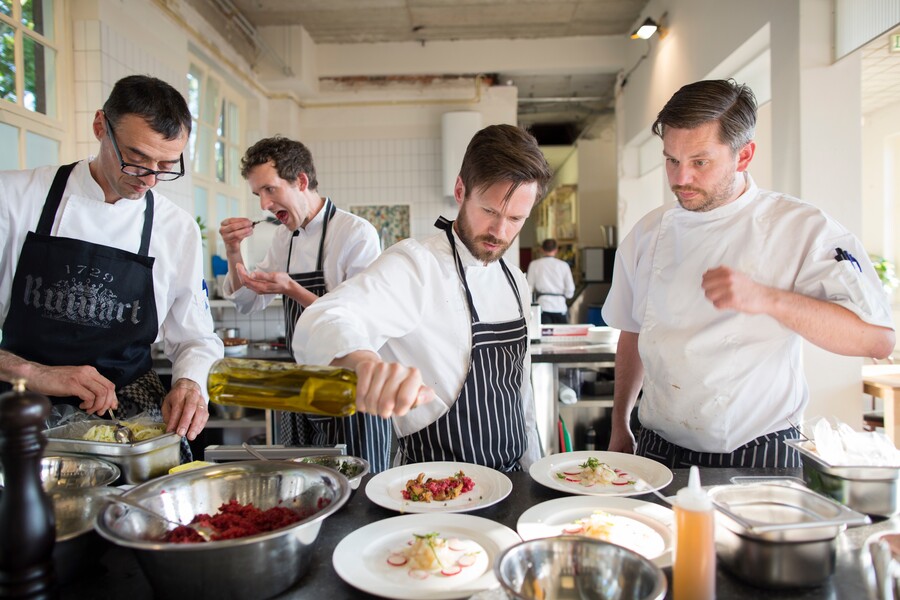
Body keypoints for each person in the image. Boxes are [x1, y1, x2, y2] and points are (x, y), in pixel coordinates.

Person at [602, 79, 895, 469]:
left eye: (700, 162)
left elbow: (876, 340)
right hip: (659, 447)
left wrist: (767, 299)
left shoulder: (802, 228)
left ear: (744, 156)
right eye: (671, 160)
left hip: (761, 449)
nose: (680, 178)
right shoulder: (648, 232)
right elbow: (634, 331)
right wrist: (621, 420)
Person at [293, 124, 553, 472]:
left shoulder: (514, 280)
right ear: (461, 190)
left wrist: (534, 471)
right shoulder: (417, 265)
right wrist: (364, 363)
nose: (500, 232)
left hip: (513, 480)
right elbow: (324, 317)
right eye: (490, 212)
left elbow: (522, 396)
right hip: (431, 489)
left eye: (516, 218)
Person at [0, 75, 223, 458]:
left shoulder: (176, 228)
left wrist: (189, 382)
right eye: (136, 160)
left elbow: (195, 337)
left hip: (129, 421)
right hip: (22, 411)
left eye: (166, 165)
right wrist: (36, 373)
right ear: (100, 126)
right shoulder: (14, 198)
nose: (150, 180)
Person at [218, 136, 392, 472]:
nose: (264, 205)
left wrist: (294, 289)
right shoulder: (284, 237)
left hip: (351, 389)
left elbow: (363, 326)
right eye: (258, 195)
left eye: (270, 190)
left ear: (300, 181)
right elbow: (247, 303)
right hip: (304, 384)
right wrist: (234, 251)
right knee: (306, 484)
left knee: (360, 488)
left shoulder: (355, 234)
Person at [527, 238, 575, 323]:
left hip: (543, 306)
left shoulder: (534, 264)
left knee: (544, 336)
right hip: (560, 307)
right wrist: (565, 296)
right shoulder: (564, 265)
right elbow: (570, 290)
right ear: (556, 250)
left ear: (541, 249)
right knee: (561, 336)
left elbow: (529, 287)